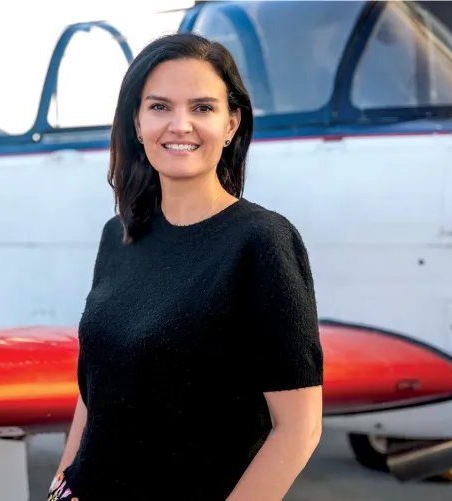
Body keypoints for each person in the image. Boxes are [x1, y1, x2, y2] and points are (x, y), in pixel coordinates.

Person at [48, 32, 323, 501]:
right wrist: (60, 484)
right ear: (136, 122)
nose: (180, 125)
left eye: (202, 108)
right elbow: (96, 386)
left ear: (232, 123)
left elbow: (298, 430)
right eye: (159, 107)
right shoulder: (117, 236)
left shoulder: (261, 242)